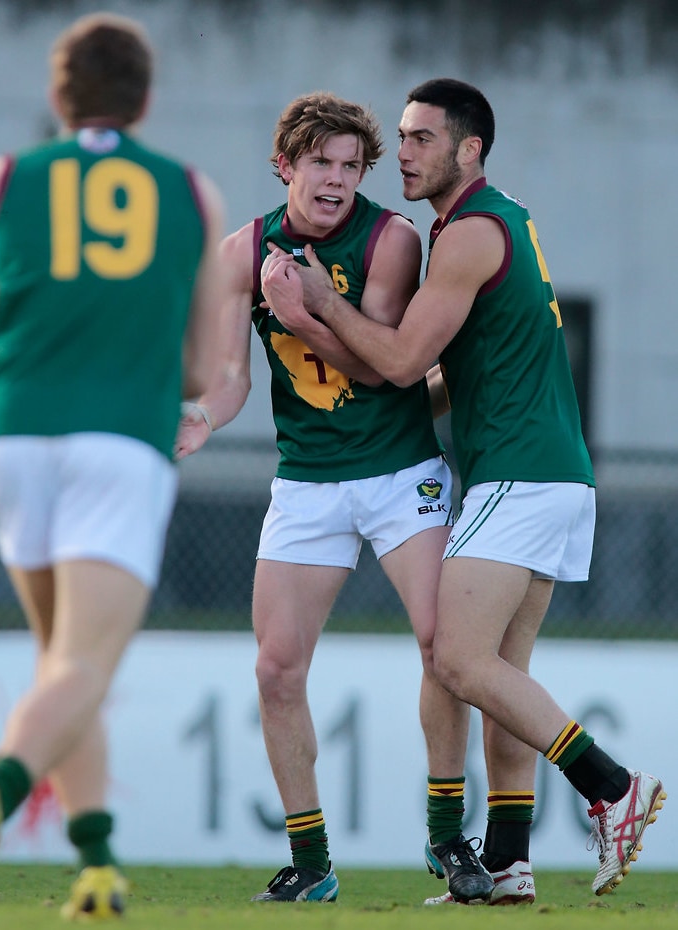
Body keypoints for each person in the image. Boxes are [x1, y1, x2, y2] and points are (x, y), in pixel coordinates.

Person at [260, 77, 666, 901]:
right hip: (550, 472)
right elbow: (433, 381)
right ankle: (512, 857)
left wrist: (318, 310)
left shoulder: (468, 232)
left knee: (456, 657)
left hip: (519, 472)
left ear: (467, 149)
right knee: (500, 671)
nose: (400, 153)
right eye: (401, 137)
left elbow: (404, 362)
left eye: (418, 138)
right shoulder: (487, 221)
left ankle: (614, 788)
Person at [175, 91, 497, 905]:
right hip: (307, 479)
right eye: (321, 163)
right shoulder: (239, 251)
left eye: (352, 166)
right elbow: (233, 374)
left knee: (442, 650)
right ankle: (310, 862)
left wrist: (304, 305)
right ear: (284, 166)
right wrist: (204, 415)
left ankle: (444, 837)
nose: (337, 181)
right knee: (277, 670)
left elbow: (380, 364)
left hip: (398, 472)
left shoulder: (390, 240)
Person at [0, 12, 225, 920]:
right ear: (145, 99)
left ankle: (96, 861)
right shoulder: (190, 192)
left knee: (59, 661)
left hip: (11, 435)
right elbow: (199, 369)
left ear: (56, 96)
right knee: (85, 663)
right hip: (119, 439)